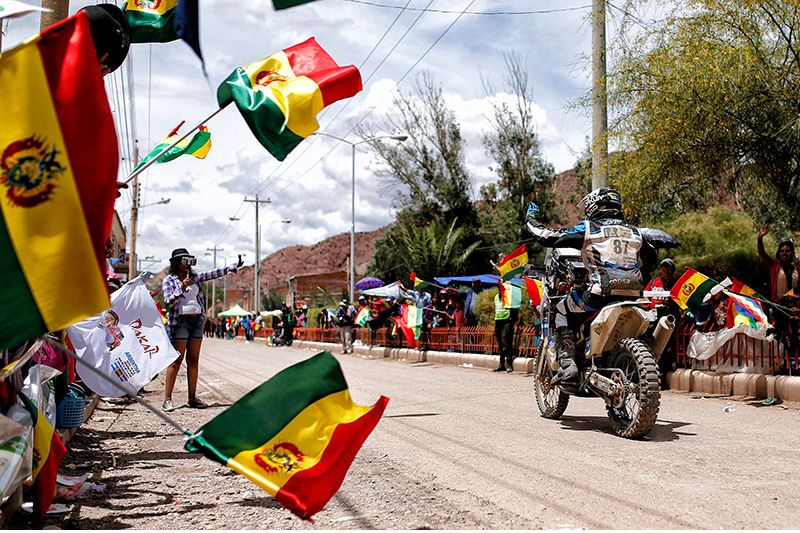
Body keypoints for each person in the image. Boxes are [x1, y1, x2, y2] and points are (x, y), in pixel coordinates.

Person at [525, 188, 657, 383]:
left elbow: (546, 236)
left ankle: (568, 363)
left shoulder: (588, 228)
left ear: (595, 206)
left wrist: (531, 219)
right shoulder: (635, 232)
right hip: (634, 296)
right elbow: (652, 262)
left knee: (561, 310)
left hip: (600, 295)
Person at [161, 248, 242, 412]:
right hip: (180, 322)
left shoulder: (195, 277)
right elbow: (168, 301)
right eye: (184, 260)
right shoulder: (169, 280)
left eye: (189, 260)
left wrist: (232, 267)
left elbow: (213, 273)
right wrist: (180, 289)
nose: (187, 264)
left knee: (193, 360)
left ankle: (192, 398)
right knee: (176, 361)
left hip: (197, 321)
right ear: (177, 262)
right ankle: (167, 400)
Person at [757, 226, 800, 301]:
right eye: (782, 251)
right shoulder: (774, 266)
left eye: (787, 251)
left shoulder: (798, 270)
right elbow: (762, 253)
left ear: (792, 253)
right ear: (778, 253)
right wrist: (759, 239)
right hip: (778, 307)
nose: (784, 253)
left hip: (793, 309)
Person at [493, 292, 516, 372]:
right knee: (500, 343)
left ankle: (509, 363)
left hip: (507, 320)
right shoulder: (496, 297)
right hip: (498, 320)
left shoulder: (509, 296)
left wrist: (512, 319)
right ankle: (501, 364)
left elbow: (515, 308)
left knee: (506, 341)